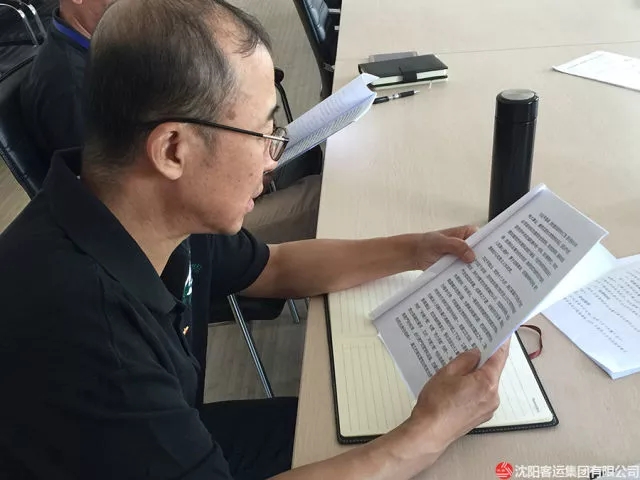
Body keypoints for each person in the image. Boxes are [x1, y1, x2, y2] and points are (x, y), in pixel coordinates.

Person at [0, 0, 510, 479]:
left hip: (165, 432)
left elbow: (274, 267)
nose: (273, 158)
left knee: (346, 426)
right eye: (264, 133)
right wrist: (429, 431)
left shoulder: (146, 206)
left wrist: (415, 249)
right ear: (173, 149)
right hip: (132, 440)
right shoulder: (92, 338)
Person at [19, 0, 321, 243]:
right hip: (191, 225)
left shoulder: (114, 50)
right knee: (320, 198)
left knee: (314, 160)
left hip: (208, 182)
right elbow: (126, 200)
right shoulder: (71, 88)